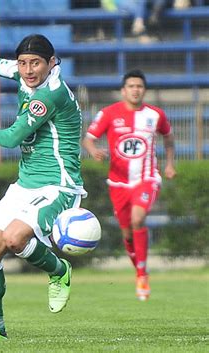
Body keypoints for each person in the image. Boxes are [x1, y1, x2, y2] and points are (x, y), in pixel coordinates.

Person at [0, 34, 87, 340]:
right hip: (25, 184)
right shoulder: (21, 71)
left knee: (14, 238)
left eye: (36, 63)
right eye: (23, 63)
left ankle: (59, 271)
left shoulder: (50, 95)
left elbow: (12, 138)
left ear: (51, 63)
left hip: (58, 186)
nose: (28, 70)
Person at [82, 69, 176, 301]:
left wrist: (170, 164)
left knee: (138, 219)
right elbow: (89, 138)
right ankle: (139, 269)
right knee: (127, 232)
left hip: (146, 178)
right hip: (118, 182)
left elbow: (169, 138)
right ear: (124, 90)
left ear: (144, 90)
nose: (136, 90)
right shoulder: (109, 113)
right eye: (131, 86)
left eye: (139, 86)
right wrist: (94, 151)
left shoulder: (156, 115)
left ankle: (142, 275)